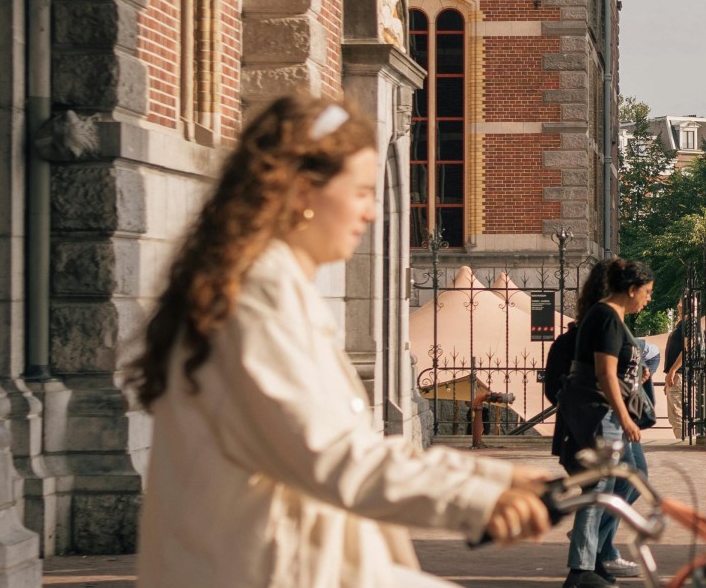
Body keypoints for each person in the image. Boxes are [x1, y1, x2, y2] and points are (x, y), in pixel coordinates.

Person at [122, 94, 553, 588]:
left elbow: (343, 446)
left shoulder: (273, 287)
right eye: (362, 191)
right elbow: (331, 457)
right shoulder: (258, 296)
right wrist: (477, 498)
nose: (372, 214)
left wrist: (493, 479)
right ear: (304, 190)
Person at [553, 259, 658, 588]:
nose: (649, 298)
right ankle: (581, 569)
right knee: (600, 486)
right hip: (599, 413)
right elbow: (604, 373)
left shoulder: (611, 316)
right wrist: (626, 418)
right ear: (631, 289)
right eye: (647, 292)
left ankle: (593, 557)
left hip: (602, 411)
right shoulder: (606, 317)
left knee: (626, 479)